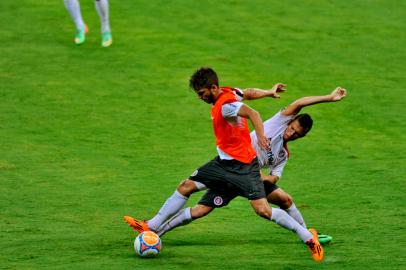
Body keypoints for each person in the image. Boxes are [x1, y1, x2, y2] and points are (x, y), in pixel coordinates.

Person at [125, 67, 324, 262]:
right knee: (186, 187)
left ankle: (308, 238)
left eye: (202, 93)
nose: (200, 97)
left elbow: (253, 114)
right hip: (223, 164)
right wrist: (269, 92)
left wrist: (262, 136)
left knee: (263, 210)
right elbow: (247, 93)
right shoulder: (229, 91)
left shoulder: (226, 105)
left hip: (243, 168)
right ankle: (150, 226)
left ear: (213, 88)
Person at [152, 87, 347, 246]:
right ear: (289, 122)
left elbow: (274, 178)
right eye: (292, 128)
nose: (291, 133)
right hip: (234, 167)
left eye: (297, 134)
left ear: (302, 137)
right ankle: (157, 231)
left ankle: (308, 232)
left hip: (251, 176)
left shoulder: (283, 154)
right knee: (202, 209)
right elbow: (299, 102)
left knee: (284, 199)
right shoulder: (279, 123)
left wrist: (261, 177)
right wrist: (329, 98)